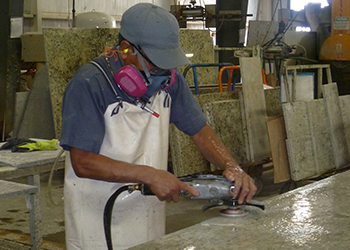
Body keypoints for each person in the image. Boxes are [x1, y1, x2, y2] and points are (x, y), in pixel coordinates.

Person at [60, 3, 257, 250]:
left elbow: (199, 130)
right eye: (154, 62)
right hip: (96, 213)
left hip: (146, 210)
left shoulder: (170, 81)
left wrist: (231, 166)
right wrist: (150, 174)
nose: (162, 72)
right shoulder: (89, 84)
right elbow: (83, 162)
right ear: (125, 49)